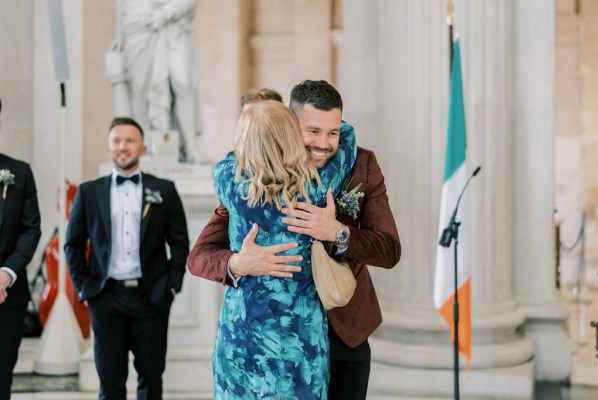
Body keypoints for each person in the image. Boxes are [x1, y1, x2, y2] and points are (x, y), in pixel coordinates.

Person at [187, 80, 401, 399]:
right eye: (312, 132)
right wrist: (237, 263)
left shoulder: (361, 164)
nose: (324, 144)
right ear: (288, 126)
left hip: (343, 329)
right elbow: (200, 255)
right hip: (266, 337)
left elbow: (389, 249)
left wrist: (337, 233)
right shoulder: (255, 174)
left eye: (333, 133)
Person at [211, 100, 357, 399]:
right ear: (292, 136)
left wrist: (253, 129)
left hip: (242, 327)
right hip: (299, 332)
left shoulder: (228, 180)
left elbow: (231, 158)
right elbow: (348, 134)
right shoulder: (317, 188)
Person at [65, 117, 189, 400]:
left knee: (151, 378)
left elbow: (180, 243)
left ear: (143, 148)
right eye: (117, 141)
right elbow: (72, 245)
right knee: (110, 382)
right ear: (109, 148)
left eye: (130, 141)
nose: (123, 147)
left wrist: (172, 286)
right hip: (106, 297)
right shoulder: (89, 192)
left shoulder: (164, 190)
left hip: (152, 297)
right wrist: (85, 289)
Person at [115, 0, 201, 163]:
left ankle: (190, 147)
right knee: (139, 87)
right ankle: (139, 147)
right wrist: (118, 34)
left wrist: (166, 13)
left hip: (175, 21)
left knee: (183, 82)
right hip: (138, 21)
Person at [0, 98, 42, 400]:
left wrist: (5, 275)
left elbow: (31, 229)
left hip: (7, 296)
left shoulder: (19, 172)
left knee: (1, 378)